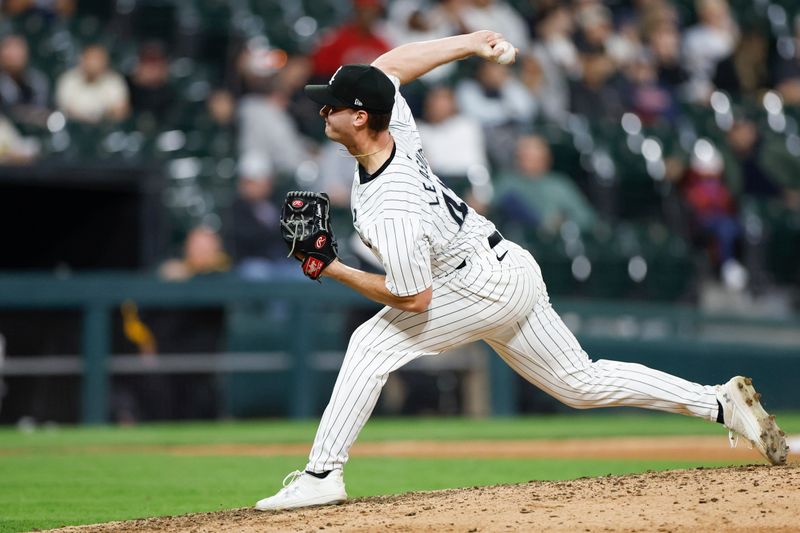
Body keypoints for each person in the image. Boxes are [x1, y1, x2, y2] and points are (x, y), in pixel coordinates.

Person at [254, 30, 788, 512]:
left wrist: (331, 267)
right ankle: (717, 402)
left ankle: (323, 474)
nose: (323, 113)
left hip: (478, 283)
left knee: (371, 346)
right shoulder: (397, 127)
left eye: (332, 108)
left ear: (361, 117)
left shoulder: (391, 202)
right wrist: (468, 42)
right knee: (579, 383)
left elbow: (413, 298)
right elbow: (391, 65)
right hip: (506, 267)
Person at [54, 44, 130, 124]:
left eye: (98, 60)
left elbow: (121, 111)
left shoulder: (114, 81)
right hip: (74, 127)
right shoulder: (68, 80)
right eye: (91, 59)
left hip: (106, 128)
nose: (94, 64)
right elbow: (65, 110)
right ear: (82, 60)